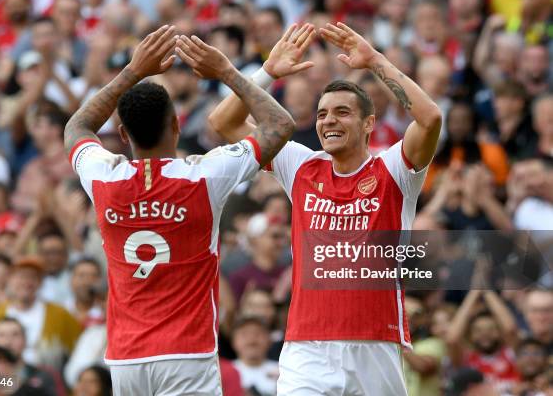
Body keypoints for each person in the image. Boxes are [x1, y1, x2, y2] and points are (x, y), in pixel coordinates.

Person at [209, 22, 442, 395]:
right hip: (307, 347)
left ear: (369, 124)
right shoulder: (300, 164)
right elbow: (224, 121)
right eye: (321, 114)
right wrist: (268, 71)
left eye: (342, 112)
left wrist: (375, 61)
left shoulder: (394, 169)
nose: (329, 120)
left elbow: (430, 118)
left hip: (374, 343)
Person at [63, 24, 295, 395]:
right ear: (175, 124)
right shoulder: (203, 175)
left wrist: (133, 71)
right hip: (188, 352)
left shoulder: (102, 177)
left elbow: (78, 125)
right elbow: (280, 124)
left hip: (125, 358)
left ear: (122, 134)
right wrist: (226, 72)